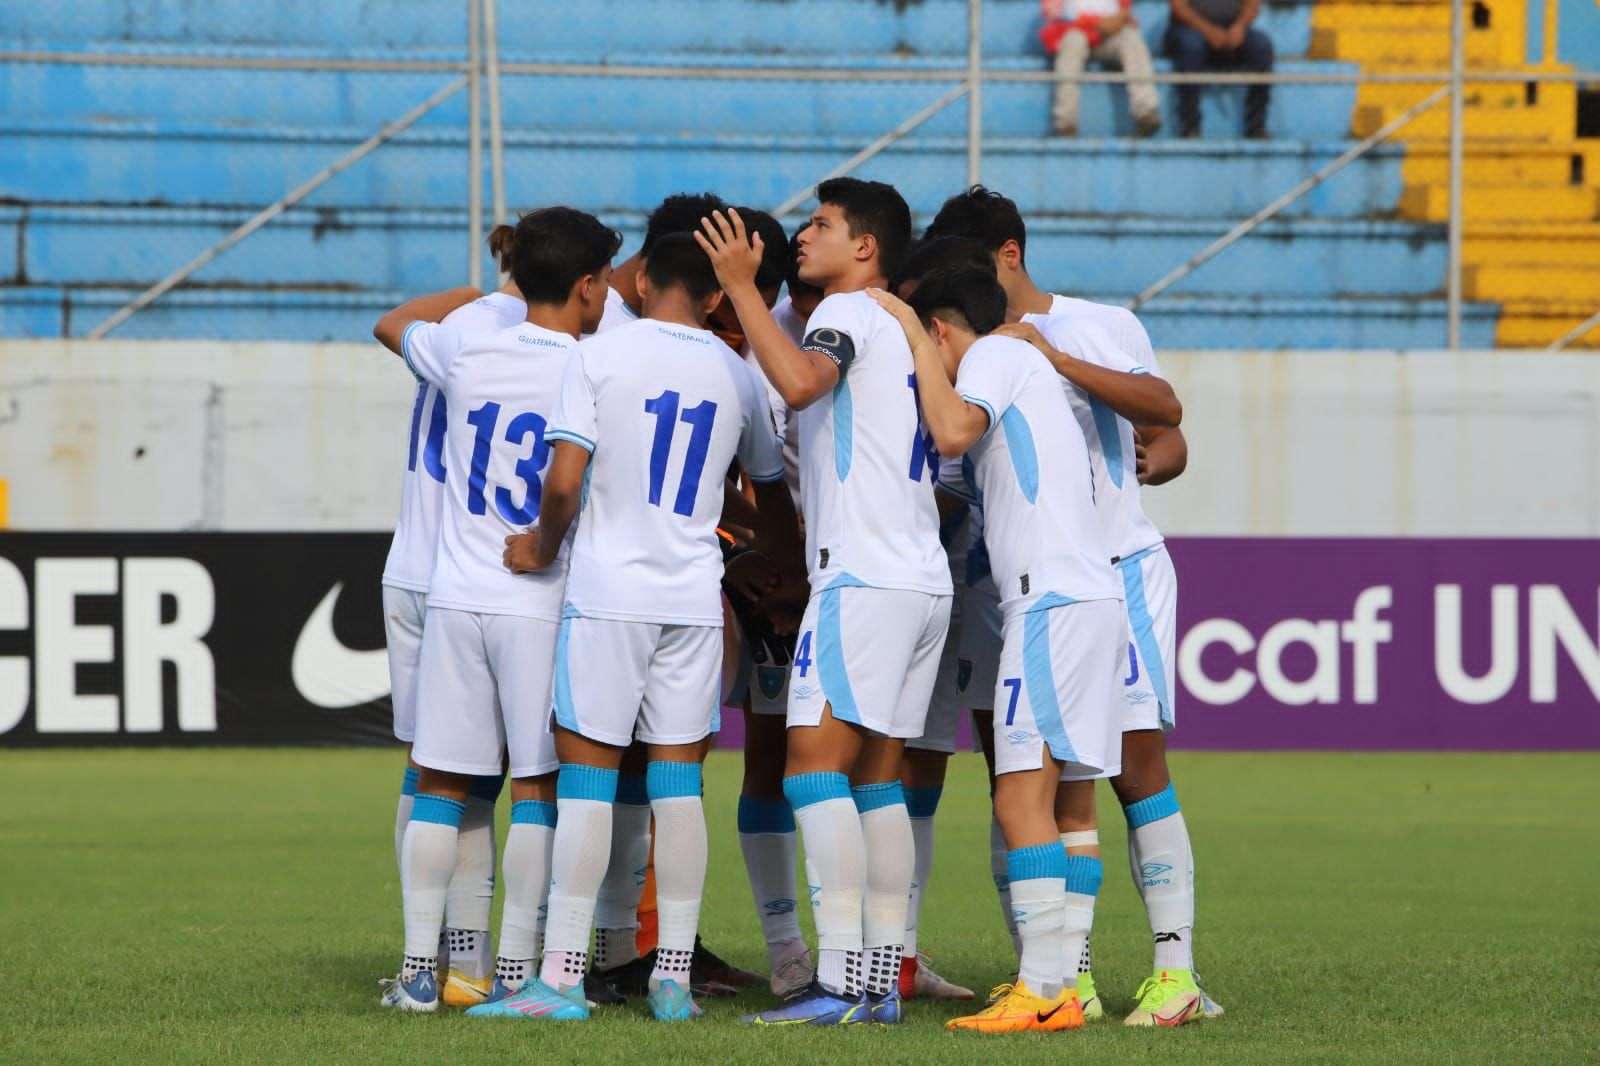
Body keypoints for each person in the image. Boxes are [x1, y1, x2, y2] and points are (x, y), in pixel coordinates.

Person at [471, 233, 801, 1024]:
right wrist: (764, 558)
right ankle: (674, 981)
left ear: (642, 279)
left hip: (609, 594)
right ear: (719, 298)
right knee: (678, 790)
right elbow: (771, 503)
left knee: (586, 784)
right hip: (691, 599)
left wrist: (542, 546)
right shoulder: (737, 372)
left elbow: (564, 481)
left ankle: (557, 981)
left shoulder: (600, 355)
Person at [924, 185, 1218, 1027]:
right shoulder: (979, 356)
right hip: (1017, 574)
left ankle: (1175, 973)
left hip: (1113, 564)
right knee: (1038, 777)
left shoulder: (1097, 325)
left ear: (1008, 255)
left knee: (1133, 768)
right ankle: (1065, 976)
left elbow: (1166, 423)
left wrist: (1065, 378)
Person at [696, 180, 952, 1026]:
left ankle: (839, 981)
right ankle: (877, 980)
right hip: (919, 577)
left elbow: (803, 383)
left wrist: (738, 285)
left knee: (810, 767)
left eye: (822, 224)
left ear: (867, 246)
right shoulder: (898, 323)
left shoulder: (844, 314)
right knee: (876, 777)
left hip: (864, 576)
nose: (803, 236)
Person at [372, 206, 620, 1013]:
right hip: (537, 600)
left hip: (455, 594)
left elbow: (396, 327)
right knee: (537, 790)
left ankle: (419, 971)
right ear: (587, 286)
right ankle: (512, 972)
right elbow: (566, 481)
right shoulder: (590, 365)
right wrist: (546, 545)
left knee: (442, 780)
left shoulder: (466, 346)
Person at [870, 267, 1125, 1033]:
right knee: (1067, 801)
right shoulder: (1024, 372)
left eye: (928, 339)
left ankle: (1042, 989)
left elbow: (951, 430)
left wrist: (911, 336)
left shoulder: (990, 358)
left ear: (944, 329)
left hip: (1048, 603)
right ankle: (1063, 986)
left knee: (1020, 796)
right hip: (1084, 598)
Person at [380, 227, 528, 1008]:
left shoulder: (453, 329)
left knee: (430, 770)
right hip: (471, 574)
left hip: (409, 564)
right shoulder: (546, 336)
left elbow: (388, 321)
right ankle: (466, 963)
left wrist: (469, 294)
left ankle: (426, 956)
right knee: (485, 778)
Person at [1040, 0, 1161, 137]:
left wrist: (1118, 20)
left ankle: (1146, 112)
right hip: (1074, 32)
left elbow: (1126, 13)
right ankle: (1065, 122)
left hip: (1109, 34)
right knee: (1072, 43)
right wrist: (1095, 23)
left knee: (1131, 38)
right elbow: (1054, 17)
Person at [1164, 0, 1272, 138]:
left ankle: (1256, 126)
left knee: (1261, 46)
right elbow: (1178, 8)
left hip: (1232, 28)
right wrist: (1208, 31)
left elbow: (1253, 5)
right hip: (1188, 28)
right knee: (1191, 46)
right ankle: (1190, 126)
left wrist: (1240, 27)